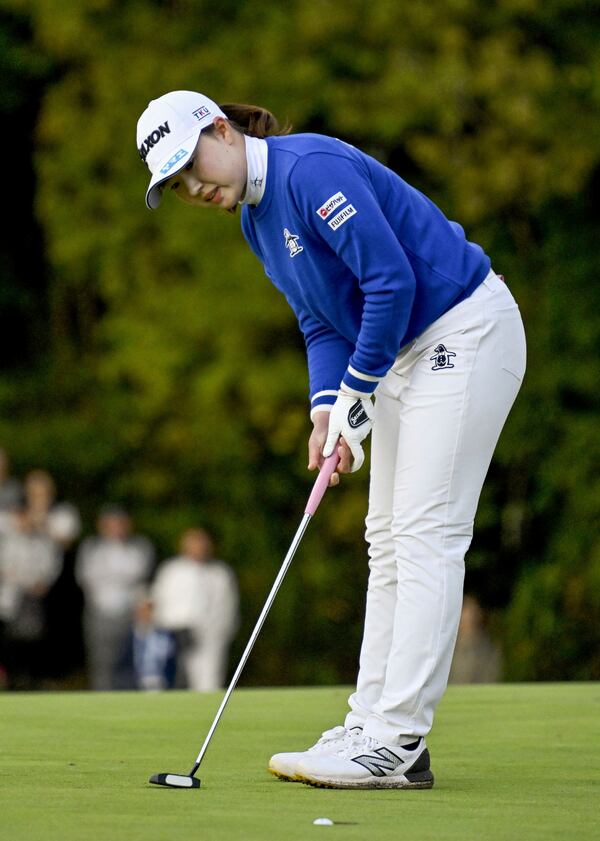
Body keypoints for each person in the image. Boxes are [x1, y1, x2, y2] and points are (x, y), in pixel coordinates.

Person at [135, 91, 526, 789]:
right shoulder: (256, 222)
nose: (196, 189)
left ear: (221, 130)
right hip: (406, 352)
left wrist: (358, 387)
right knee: (385, 536)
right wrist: (327, 408)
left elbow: (390, 281)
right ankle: (371, 721)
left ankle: (398, 738)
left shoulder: (307, 170)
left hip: (464, 330)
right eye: (177, 185)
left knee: (424, 531)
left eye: (193, 166)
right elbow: (321, 322)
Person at [75, 505, 154, 690]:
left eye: (121, 523)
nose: (117, 528)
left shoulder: (140, 547)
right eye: (112, 523)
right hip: (100, 614)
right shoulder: (92, 548)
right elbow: (86, 579)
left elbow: (141, 577)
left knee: (131, 664)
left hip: (129, 615)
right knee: (101, 664)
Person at [151, 528, 239, 691]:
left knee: (208, 682)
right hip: (174, 636)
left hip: (208, 639)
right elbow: (159, 602)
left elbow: (227, 609)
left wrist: (216, 633)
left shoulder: (220, 573)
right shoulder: (171, 570)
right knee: (167, 682)